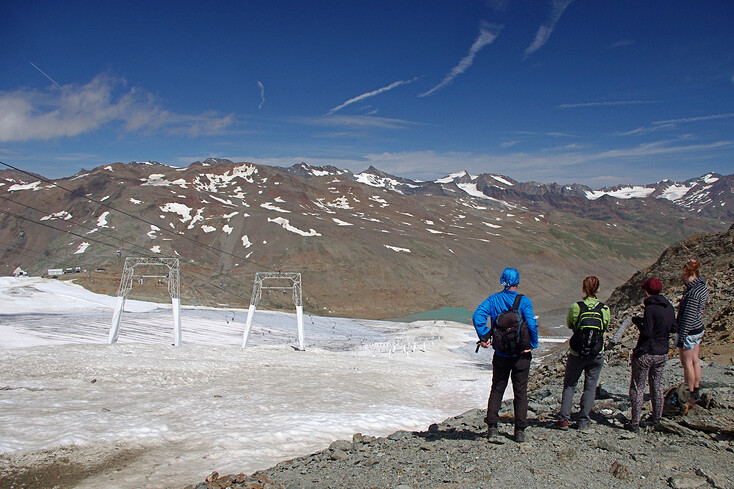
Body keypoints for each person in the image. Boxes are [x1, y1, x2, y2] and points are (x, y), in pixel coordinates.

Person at [473, 267, 539, 443]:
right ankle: (519, 431)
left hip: (501, 354)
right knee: (520, 391)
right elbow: (531, 324)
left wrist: (484, 335)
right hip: (521, 355)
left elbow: (478, 315)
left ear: (502, 280)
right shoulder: (524, 301)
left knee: (497, 389)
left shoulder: (493, 300)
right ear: (517, 281)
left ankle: (492, 428)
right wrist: (532, 344)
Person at [554, 276, 610, 430]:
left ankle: (564, 419)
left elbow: (570, 323)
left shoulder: (576, 307)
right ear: (598, 289)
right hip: (596, 353)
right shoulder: (604, 309)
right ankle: (583, 420)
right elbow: (604, 327)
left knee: (570, 385)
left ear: (583, 289)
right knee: (590, 387)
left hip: (577, 353)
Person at [626, 277, 677, 432]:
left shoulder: (650, 308)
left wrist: (638, 322)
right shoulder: (668, 306)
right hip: (662, 352)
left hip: (647, 352)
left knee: (638, 387)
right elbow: (674, 328)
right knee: (656, 385)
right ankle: (657, 418)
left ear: (648, 291)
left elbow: (647, 331)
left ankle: (634, 422)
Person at [676, 259, 708, 401]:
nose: (683, 278)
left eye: (685, 275)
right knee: (695, 360)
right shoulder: (702, 286)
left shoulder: (693, 294)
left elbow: (688, 317)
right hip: (698, 328)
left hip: (689, 331)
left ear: (693, 274)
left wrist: (682, 337)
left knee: (687, 363)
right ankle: (696, 387)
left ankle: (689, 392)